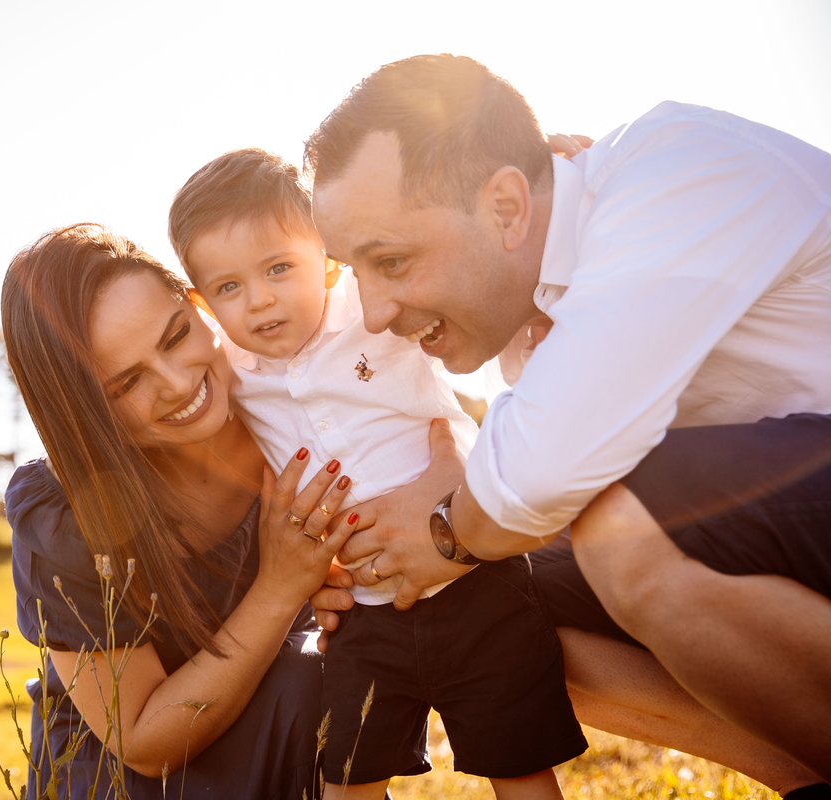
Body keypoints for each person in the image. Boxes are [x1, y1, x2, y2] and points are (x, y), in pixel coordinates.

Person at [304, 54, 831, 784]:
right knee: (507, 604)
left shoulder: (673, 172)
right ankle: (805, 773)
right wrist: (374, 564)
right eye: (350, 271)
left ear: (508, 208)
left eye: (390, 261)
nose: (374, 312)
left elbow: (541, 474)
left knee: (621, 526)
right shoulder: (543, 308)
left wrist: (442, 534)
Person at [167, 147, 584, 800]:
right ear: (202, 303)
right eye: (229, 288)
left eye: (280, 267)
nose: (262, 300)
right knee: (348, 776)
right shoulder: (234, 380)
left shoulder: (374, 311)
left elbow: (462, 271)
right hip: (362, 618)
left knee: (519, 762)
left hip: (476, 583)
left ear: (329, 259)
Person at [1, 223, 360, 799]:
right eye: (127, 383)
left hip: (280, 721)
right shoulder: (66, 515)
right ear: (84, 411)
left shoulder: (291, 407)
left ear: (200, 305)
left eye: (175, 337)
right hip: (125, 779)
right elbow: (141, 743)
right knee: (305, 674)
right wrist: (282, 586)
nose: (177, 384)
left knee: (333, 669)